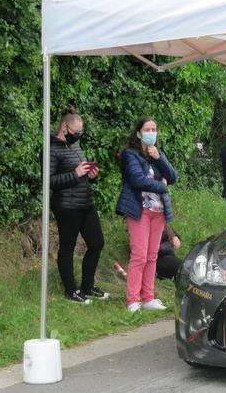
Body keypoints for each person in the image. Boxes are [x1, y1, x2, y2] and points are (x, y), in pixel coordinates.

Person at [116, 116, 178, 313]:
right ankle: (133, 300)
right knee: (139, 255)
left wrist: (159, 157)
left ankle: (148, 298)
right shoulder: (129, 155)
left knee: (152, 256)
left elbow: (173, 177)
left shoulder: (157, 153)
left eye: (154, 129)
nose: (152, 133)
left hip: (158, 211)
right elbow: (137, 180)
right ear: (138, 133)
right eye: (147, 129)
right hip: (139, 209)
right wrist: (161, 185)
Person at [49, 106, 108, 304]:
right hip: (66, 205)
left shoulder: (76, 147)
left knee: (97, 243)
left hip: (86, 202)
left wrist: (91, 176)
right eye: (76, 132)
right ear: (65, 127)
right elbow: (49, 180)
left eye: (81, 132)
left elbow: (82, 174)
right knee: (68, 247)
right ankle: (70, 290)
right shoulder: (51, 148)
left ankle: (88, 285)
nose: (79, 135)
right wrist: (75, 174)